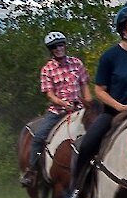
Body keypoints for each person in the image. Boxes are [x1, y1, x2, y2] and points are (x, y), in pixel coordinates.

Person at [62, 3, 127, 198]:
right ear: (123, 28)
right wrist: (120, 107)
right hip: (112, 113)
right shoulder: (110, 57)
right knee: (86, 144)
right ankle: (78, 192)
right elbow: (99, 90)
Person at [26, 30, 87, 178]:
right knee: (39, 137)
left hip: (79, 109)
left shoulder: (76, 63)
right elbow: (49, 94)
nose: (58, 49)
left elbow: (84, 86)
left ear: (65, 46)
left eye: (60, 45)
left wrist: (89, 104)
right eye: (54, 47)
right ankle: (32, 171)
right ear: (51, 50)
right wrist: (63, 103)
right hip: (57, 111)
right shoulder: (47, 69)